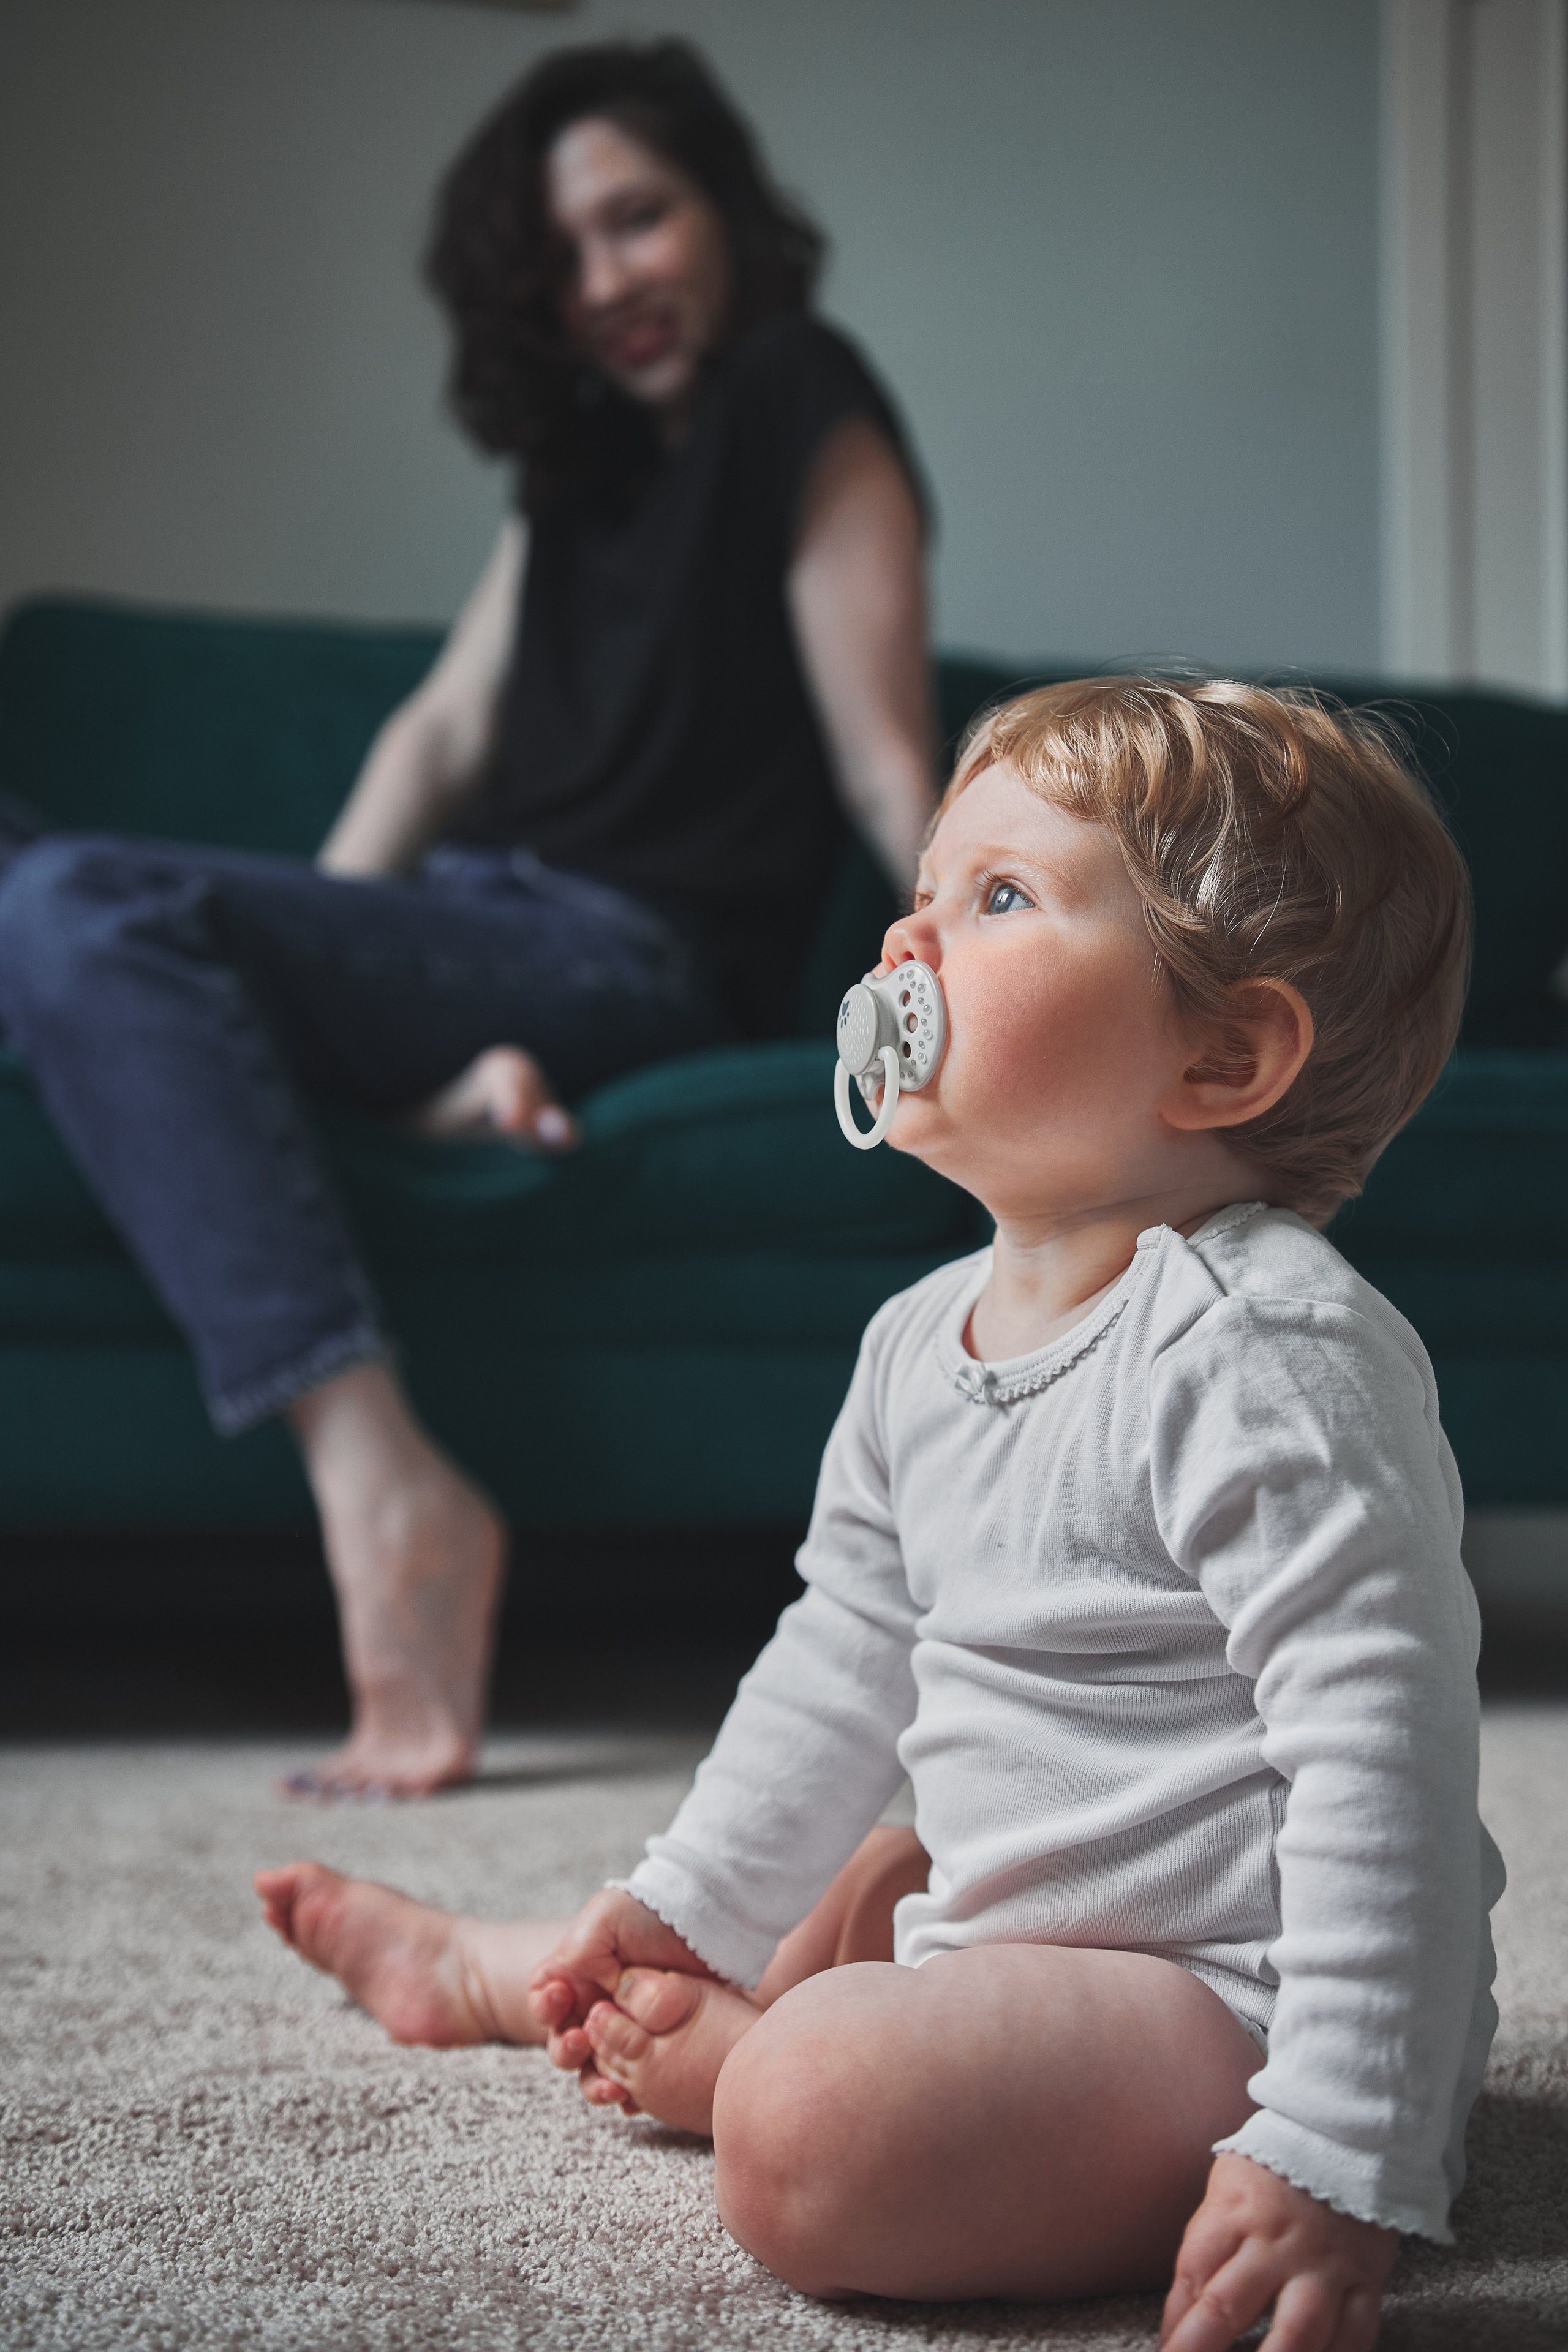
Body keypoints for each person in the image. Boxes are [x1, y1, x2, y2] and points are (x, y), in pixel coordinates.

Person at [255, 677, 1504, 2345]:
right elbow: (844, 1662)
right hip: (1013, 1936)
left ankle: (737, 2062)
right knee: (847, 1866)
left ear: (1224, 1052)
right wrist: (687, 1899)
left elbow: (1386, 1757)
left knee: (807, 2130)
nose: (909, 949)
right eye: (922, 896)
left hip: (1233, 1996)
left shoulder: (1268, 1352)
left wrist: (1341, 2144)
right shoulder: (919, 1339)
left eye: (999, 900)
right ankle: (529, 1968)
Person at [0, 41, 935, 1799]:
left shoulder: (807, 399)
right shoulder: (573, 475)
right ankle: (395, 1085)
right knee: (50, 897)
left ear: (722, 206)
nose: (605, 284)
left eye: (637, 221)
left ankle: (384, 1472)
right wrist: (306, 956)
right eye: (559, 261)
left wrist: (984, 952)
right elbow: (439, 729)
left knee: (71, 907)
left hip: (626, 961)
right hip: (461, 931)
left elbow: (890, 761)